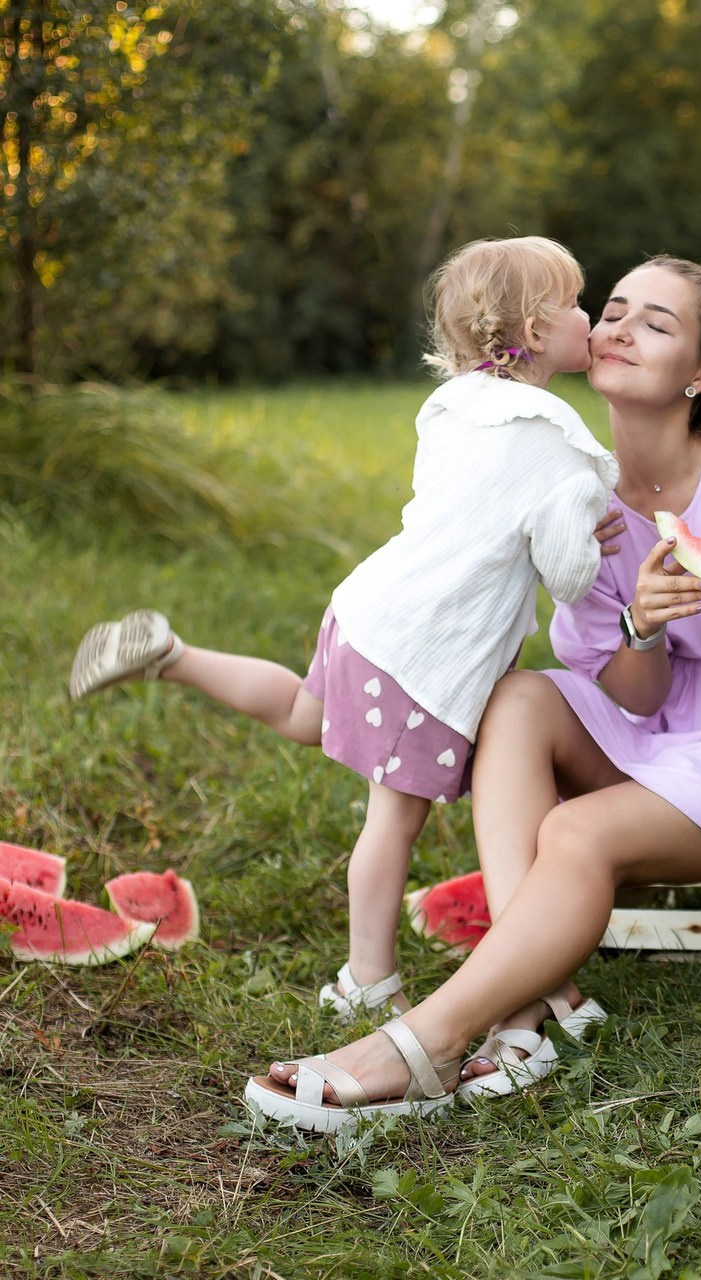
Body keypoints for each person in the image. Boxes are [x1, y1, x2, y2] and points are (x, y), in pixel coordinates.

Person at [243, 255, 701, 1132]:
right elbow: (635, 695)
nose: (620, 327)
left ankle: (433, 1037)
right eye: (614, 309)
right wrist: (644, 627)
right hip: (655, 732)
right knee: (515, 700)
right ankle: (532, 1007)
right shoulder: (577, 497)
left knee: (574, 830)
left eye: (656, 324)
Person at [69, 235, 618, 1028]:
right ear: (535, 333)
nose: (589, 315)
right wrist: (590, 529)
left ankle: (172, 653)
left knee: (303, 711)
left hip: (369, 611)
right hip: (426, 656)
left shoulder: (457, 404)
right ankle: (366, 975)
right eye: (573, 302)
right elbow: (566, 575)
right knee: (391, 820)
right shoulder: (553, 440)